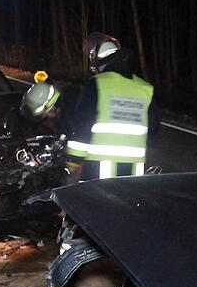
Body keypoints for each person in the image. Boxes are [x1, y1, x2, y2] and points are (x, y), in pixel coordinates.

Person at [64, 33, 157, 181]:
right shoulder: (145, 88)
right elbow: (152, 128)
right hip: (134, 173)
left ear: (99, 63)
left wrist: (72, 161)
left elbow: (82, 125)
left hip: (97, 172)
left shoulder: (97, 84)